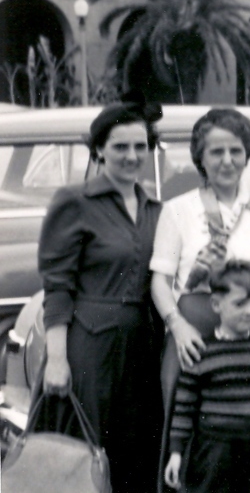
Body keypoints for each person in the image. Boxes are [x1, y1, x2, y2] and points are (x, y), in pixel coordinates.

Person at [151, 108, 250, 491]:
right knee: (186, 432)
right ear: (200, 157)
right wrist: (178, 326)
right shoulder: (179, 210)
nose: (227, 161)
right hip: (194, 335)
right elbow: (161, 280)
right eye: (216, 152)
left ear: (247, 154)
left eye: (236, 151)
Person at [38, 101, 165, 493]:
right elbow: (57, 286)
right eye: (120, 147)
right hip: (89, 347)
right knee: (81, 457)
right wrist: (57, 360)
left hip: (142, 348)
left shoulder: (154, 208)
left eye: (140, 147)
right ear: (99, 150)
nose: (132, 156)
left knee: (137, 455)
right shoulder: (73, 201)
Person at [163, 260, 250, 493]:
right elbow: (184, 408)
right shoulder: (201, 352)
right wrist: (176, 454)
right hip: (213, 452)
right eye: (240, 304)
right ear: (216, 304)